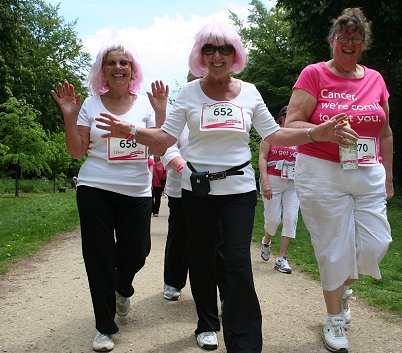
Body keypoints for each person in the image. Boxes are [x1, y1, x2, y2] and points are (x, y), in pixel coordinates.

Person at [95, 22, 354, 353]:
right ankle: (206, 323)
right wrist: (131, 131)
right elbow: (164, 139)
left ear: (235, 54)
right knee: (201, 258)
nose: (217, 56)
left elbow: (274, 135)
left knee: (235, 262)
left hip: (238, 190)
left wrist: (314, 133)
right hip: (197, 190)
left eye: (224, 49)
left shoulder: (249, 92)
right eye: (209, 49)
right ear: (200, 55)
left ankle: (244, 343)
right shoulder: (188, 94)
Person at [285, 8, 393, 353]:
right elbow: (292, 125)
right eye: (342, 36)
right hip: (321, 172)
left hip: (367, 170)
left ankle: (343, 284)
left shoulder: (375, 79)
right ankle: (334, 317)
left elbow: (386, 132)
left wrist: (389, 177)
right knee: (333, 249)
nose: (349, 42)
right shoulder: (314, 74)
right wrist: (322, 132)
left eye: (356, 38)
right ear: (332, 41)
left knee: (377, 244)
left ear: (363, 44)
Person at [50, 42, 166, 352]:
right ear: (103, 70)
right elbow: (77, 151)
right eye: (111, 62)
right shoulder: (89, 104)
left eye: (124, 63)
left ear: (132, 70)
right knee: (98, 257)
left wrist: (160, 113)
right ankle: (104, 326)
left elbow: (159, 148)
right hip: (95, 188)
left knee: (137, 251)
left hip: (136, 190)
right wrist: (70, 116)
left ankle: (120, 286)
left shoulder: (145, 105)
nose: (118, 67)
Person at [160, 72, 227, 304]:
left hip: (217, 187)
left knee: (217, 241)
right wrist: (183, 168)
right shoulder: (179, 109)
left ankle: (221, 289)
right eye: (196, 78)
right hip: (182, 186)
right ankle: (173, 281)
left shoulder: (221, 109)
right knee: (180, 235)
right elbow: (166, 145)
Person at [259, 106, 300, 274]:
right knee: (273, 220)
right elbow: (262, 157)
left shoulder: (299, 137)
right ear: (281, 117)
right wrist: (265, 182)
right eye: (288, 114)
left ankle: (282, 258)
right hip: (273, 181)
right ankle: (266, 241)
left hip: (293, 183)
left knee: (291, 219)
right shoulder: (271, 134)